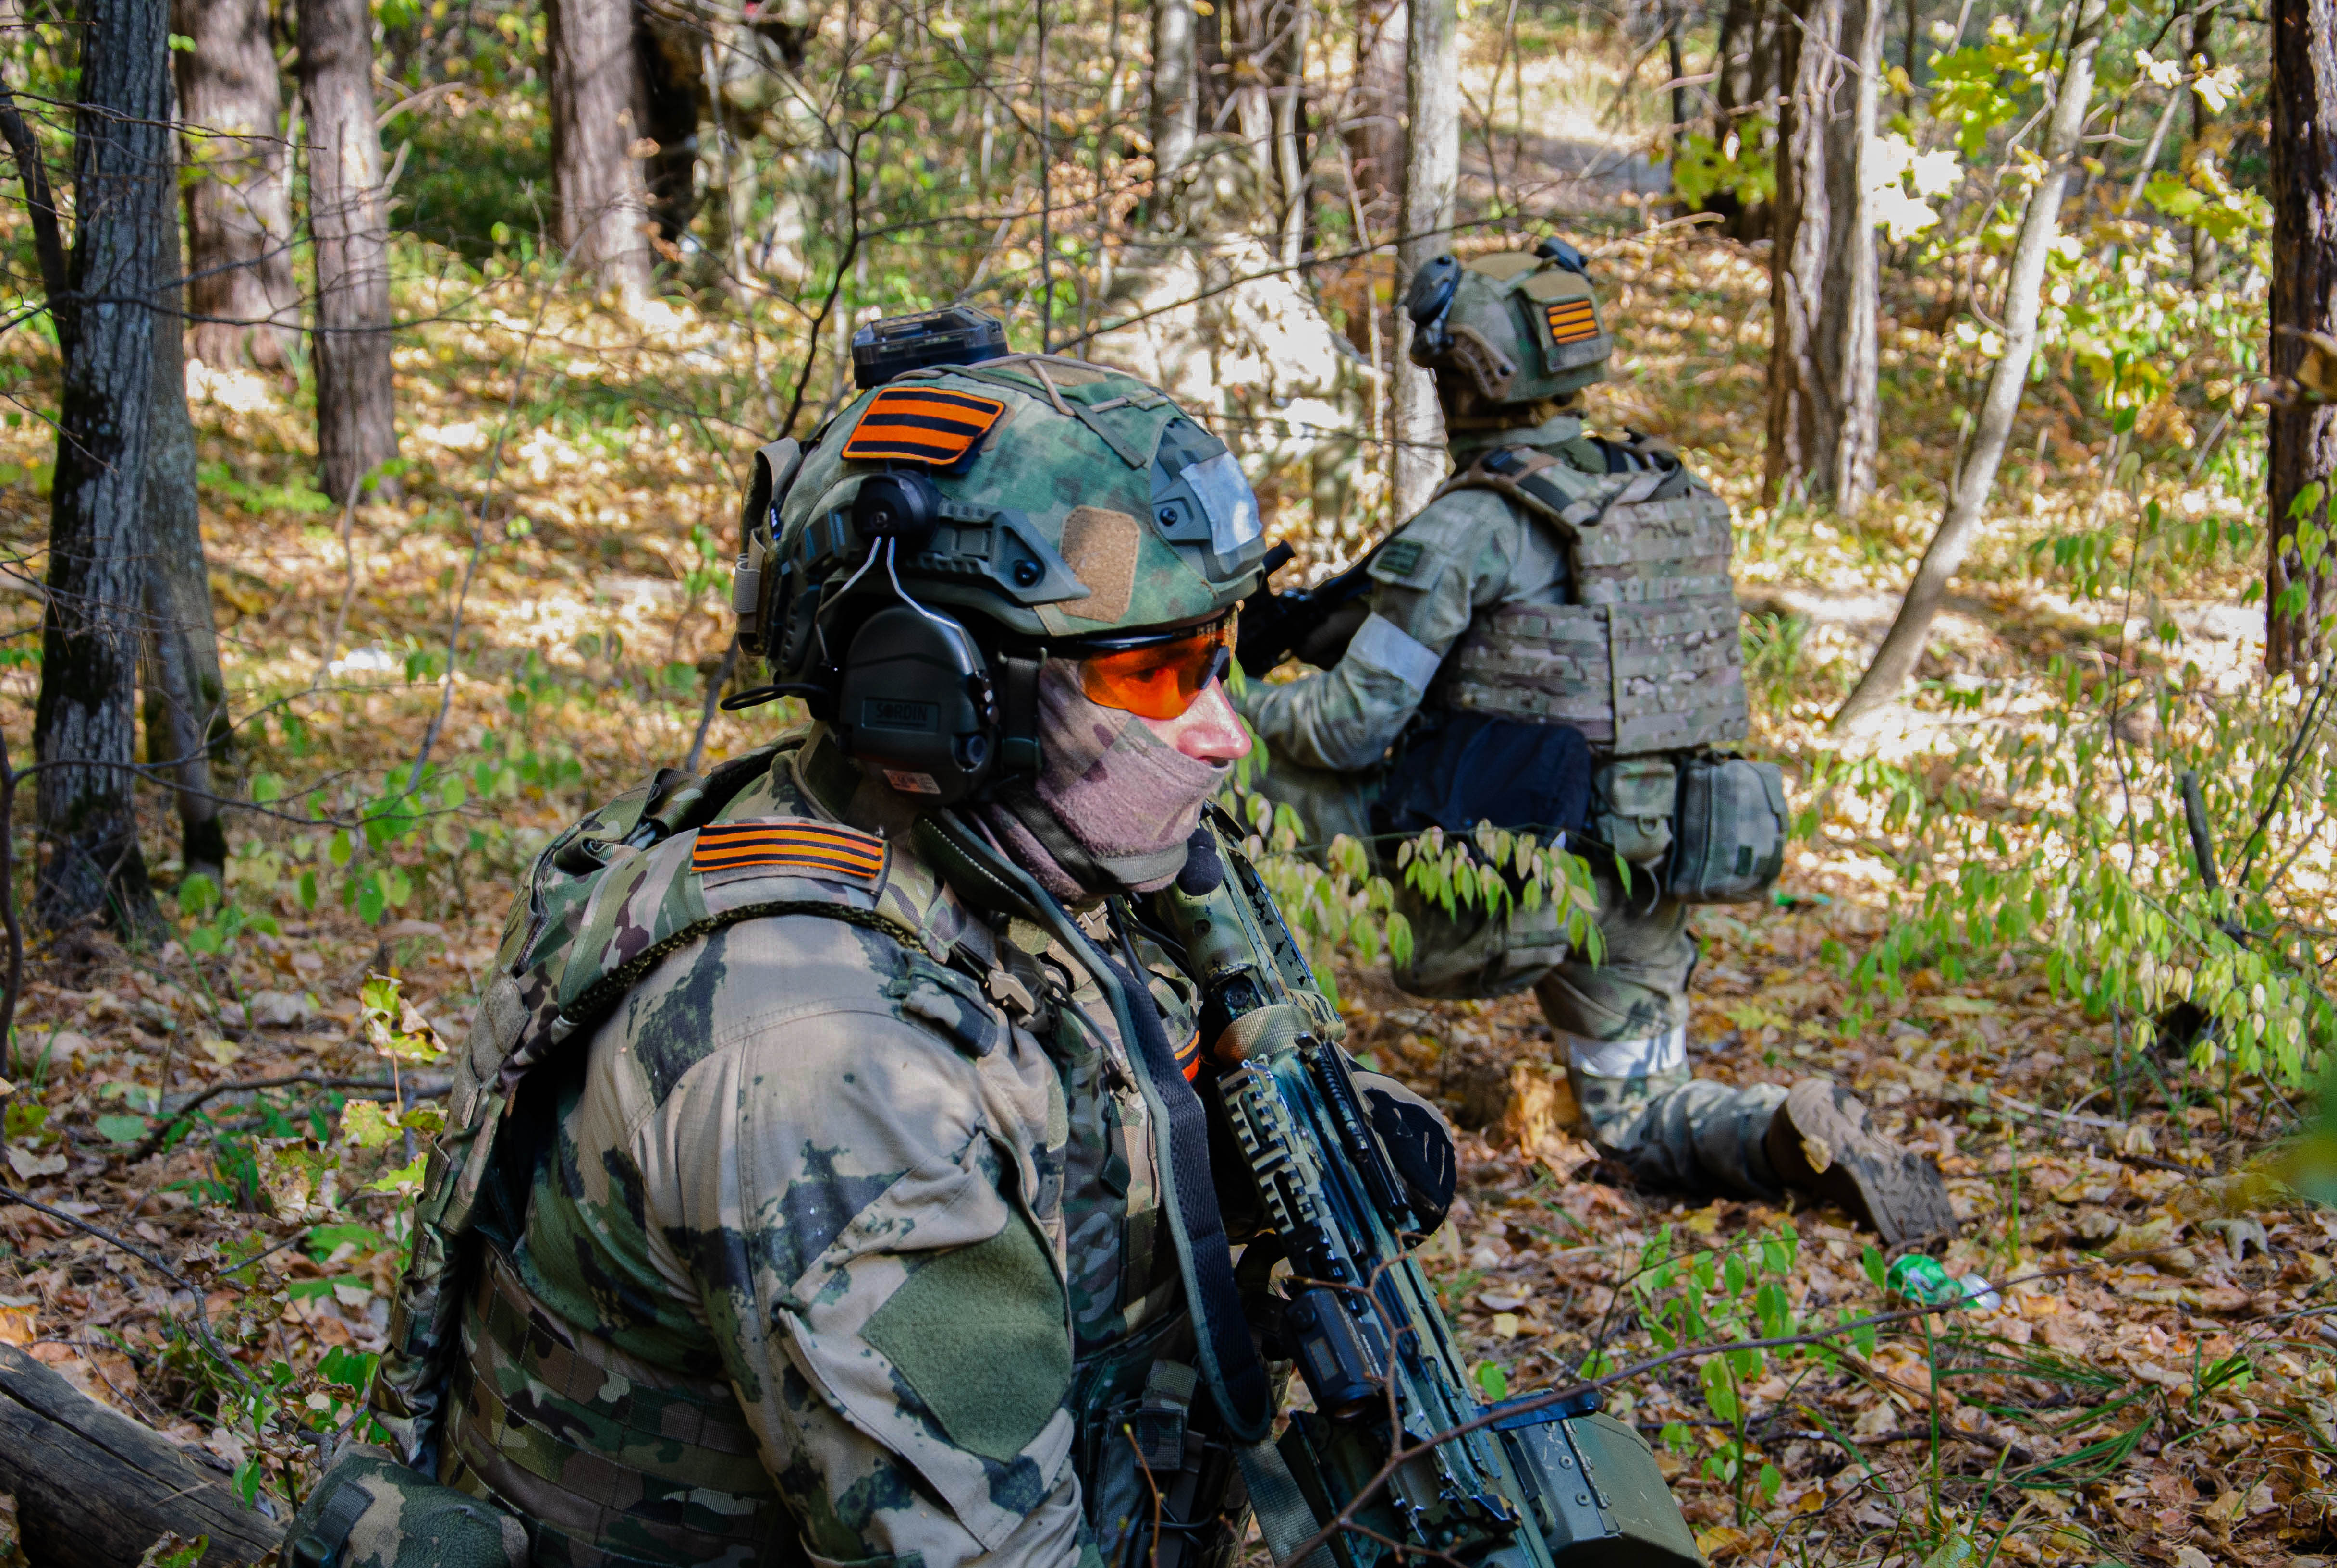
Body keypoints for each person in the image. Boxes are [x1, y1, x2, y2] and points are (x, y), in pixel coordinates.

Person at [366, 319, 1455, 1568]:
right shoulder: (818, 1055)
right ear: (936, 690)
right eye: (1160, 673)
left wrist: (1286, 1146)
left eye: (1226, 658)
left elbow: (1096, 1088)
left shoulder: (1019, 846)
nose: (1225, 732)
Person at [1233, 239, 1955, 1247]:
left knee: (1226, 788)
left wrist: (1224, 700)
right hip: (1647, 867)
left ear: (1465, 379)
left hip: (1496, 879)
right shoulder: (1662, 497)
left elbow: (1349, 726)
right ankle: (1786, 1135)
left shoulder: (1471, 529)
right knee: (1638, 1117)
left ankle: (1236, 1055)